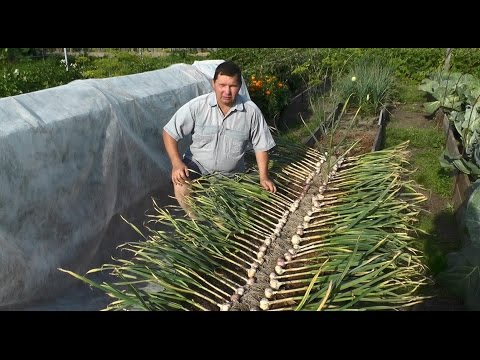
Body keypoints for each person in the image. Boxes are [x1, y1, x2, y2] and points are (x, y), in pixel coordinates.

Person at [162, 60, 277, 217]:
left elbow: (261, 145)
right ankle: (195, 219)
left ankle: (219, 224)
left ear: (240, 86)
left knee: (225, 220)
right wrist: (176, 163)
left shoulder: (251, 111)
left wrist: (264, 177)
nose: (227, 91)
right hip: (198, 166)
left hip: (231, 176)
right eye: (222, 85)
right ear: (213, 84)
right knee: (181, 181)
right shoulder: (197, 106)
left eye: (233, 86)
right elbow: (169, 132)